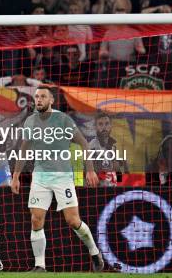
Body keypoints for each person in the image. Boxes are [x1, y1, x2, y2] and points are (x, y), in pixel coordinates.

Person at [10, 86, 104, 272]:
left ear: (51, 100)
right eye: (36, 96)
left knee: (73, 221)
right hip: (40, 177)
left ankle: (94, 252)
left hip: (62, 177)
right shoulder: (30, 121)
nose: (39, 99)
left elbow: (84, 144)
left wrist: (90, 170)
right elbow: (24, 149)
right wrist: (16, 176)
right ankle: (40, 266)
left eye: (43, 96)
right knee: (36, 220)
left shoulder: (63, 119)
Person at [88, 112, 129, 187]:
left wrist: (118, 167)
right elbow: (88, 176)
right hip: (98, 190)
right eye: (100, 124)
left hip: (114, 189)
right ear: (95, 127)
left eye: (107, 124)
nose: (104, 127)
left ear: (111, 126)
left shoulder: (116, 146)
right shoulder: (91, 147)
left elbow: (122, 176)